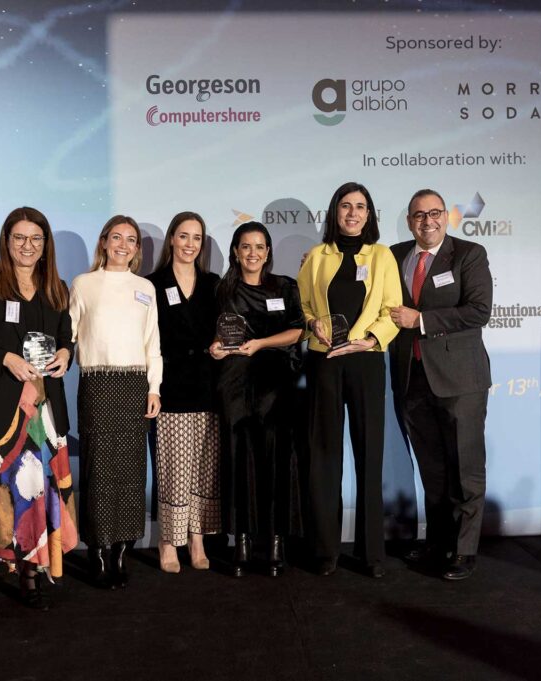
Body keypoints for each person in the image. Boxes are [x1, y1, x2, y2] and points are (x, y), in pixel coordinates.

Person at [0, 206, 78, 624]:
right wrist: (5, 358)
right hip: (1, 415)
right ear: (7, 242)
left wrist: (66, 354)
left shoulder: (56, 288)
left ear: (45, 245)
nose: (27, 246)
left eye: (36, 239)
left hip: (44, 414)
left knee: (37, 497)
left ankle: (30, 578)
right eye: (19, 238)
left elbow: (66, 339)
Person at [297, 182, 402, 578]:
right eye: (345, 206)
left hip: (366, 361)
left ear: (369, 214)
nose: (352, 213)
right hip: (324, 360)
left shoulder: (382, 256)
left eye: (360, 206)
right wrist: (312, 323)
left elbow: (393, 309)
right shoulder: (317, 257)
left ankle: (372, 553)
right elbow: (303, 305)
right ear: (335, 212)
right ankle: (325, 550)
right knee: (323, 456)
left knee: (369, 455)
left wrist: (370, 339)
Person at [388, 188, 492, 581]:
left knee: (465, 468)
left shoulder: (468, 254)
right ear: (409, 220)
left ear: (446, 216)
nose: (427, 221)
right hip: (412, 378)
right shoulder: (395, 255)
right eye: (419, 215)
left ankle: (464, 550)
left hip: (460, 379)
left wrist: (421, 321)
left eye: (434, 213)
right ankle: (438, 541)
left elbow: (478, 311)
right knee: (432, 469)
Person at [69, 215, 162, 589]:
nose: (123, 245)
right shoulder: (84, 284)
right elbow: (68, 334)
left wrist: (154, 388)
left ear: (137, 248)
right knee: (98, 472)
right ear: (104, 242)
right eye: (117, 237)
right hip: (97, 385)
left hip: (135, 386)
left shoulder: (145, 288)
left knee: (131, 472)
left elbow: (152, 343)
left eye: (131, 240)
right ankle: (97, 550)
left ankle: (121, 551)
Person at [210, 222, 304, 577]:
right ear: (236, 252)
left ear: (268, 252)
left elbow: (298, 330)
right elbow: (214, 336)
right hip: (235, 382)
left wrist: (262, 344)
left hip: (275, 383)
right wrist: (215, 348)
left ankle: (276, 543)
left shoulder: (285, 286)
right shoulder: (222, 289)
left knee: (277, 460)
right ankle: (242, 543)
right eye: (246, 246)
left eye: (260, 246)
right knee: (239, 460)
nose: (253, 253)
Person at [147, 211, 222, 573]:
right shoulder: (152, 284)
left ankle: (197, 539)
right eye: (183, 236)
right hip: (171, 387)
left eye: (196, 238)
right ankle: (168, 541)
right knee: (174, 469)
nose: (190, 244)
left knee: (204, 469)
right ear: (172, 240)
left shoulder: (213, 284)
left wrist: (221, 345)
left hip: (208, 385)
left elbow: (226, 327)